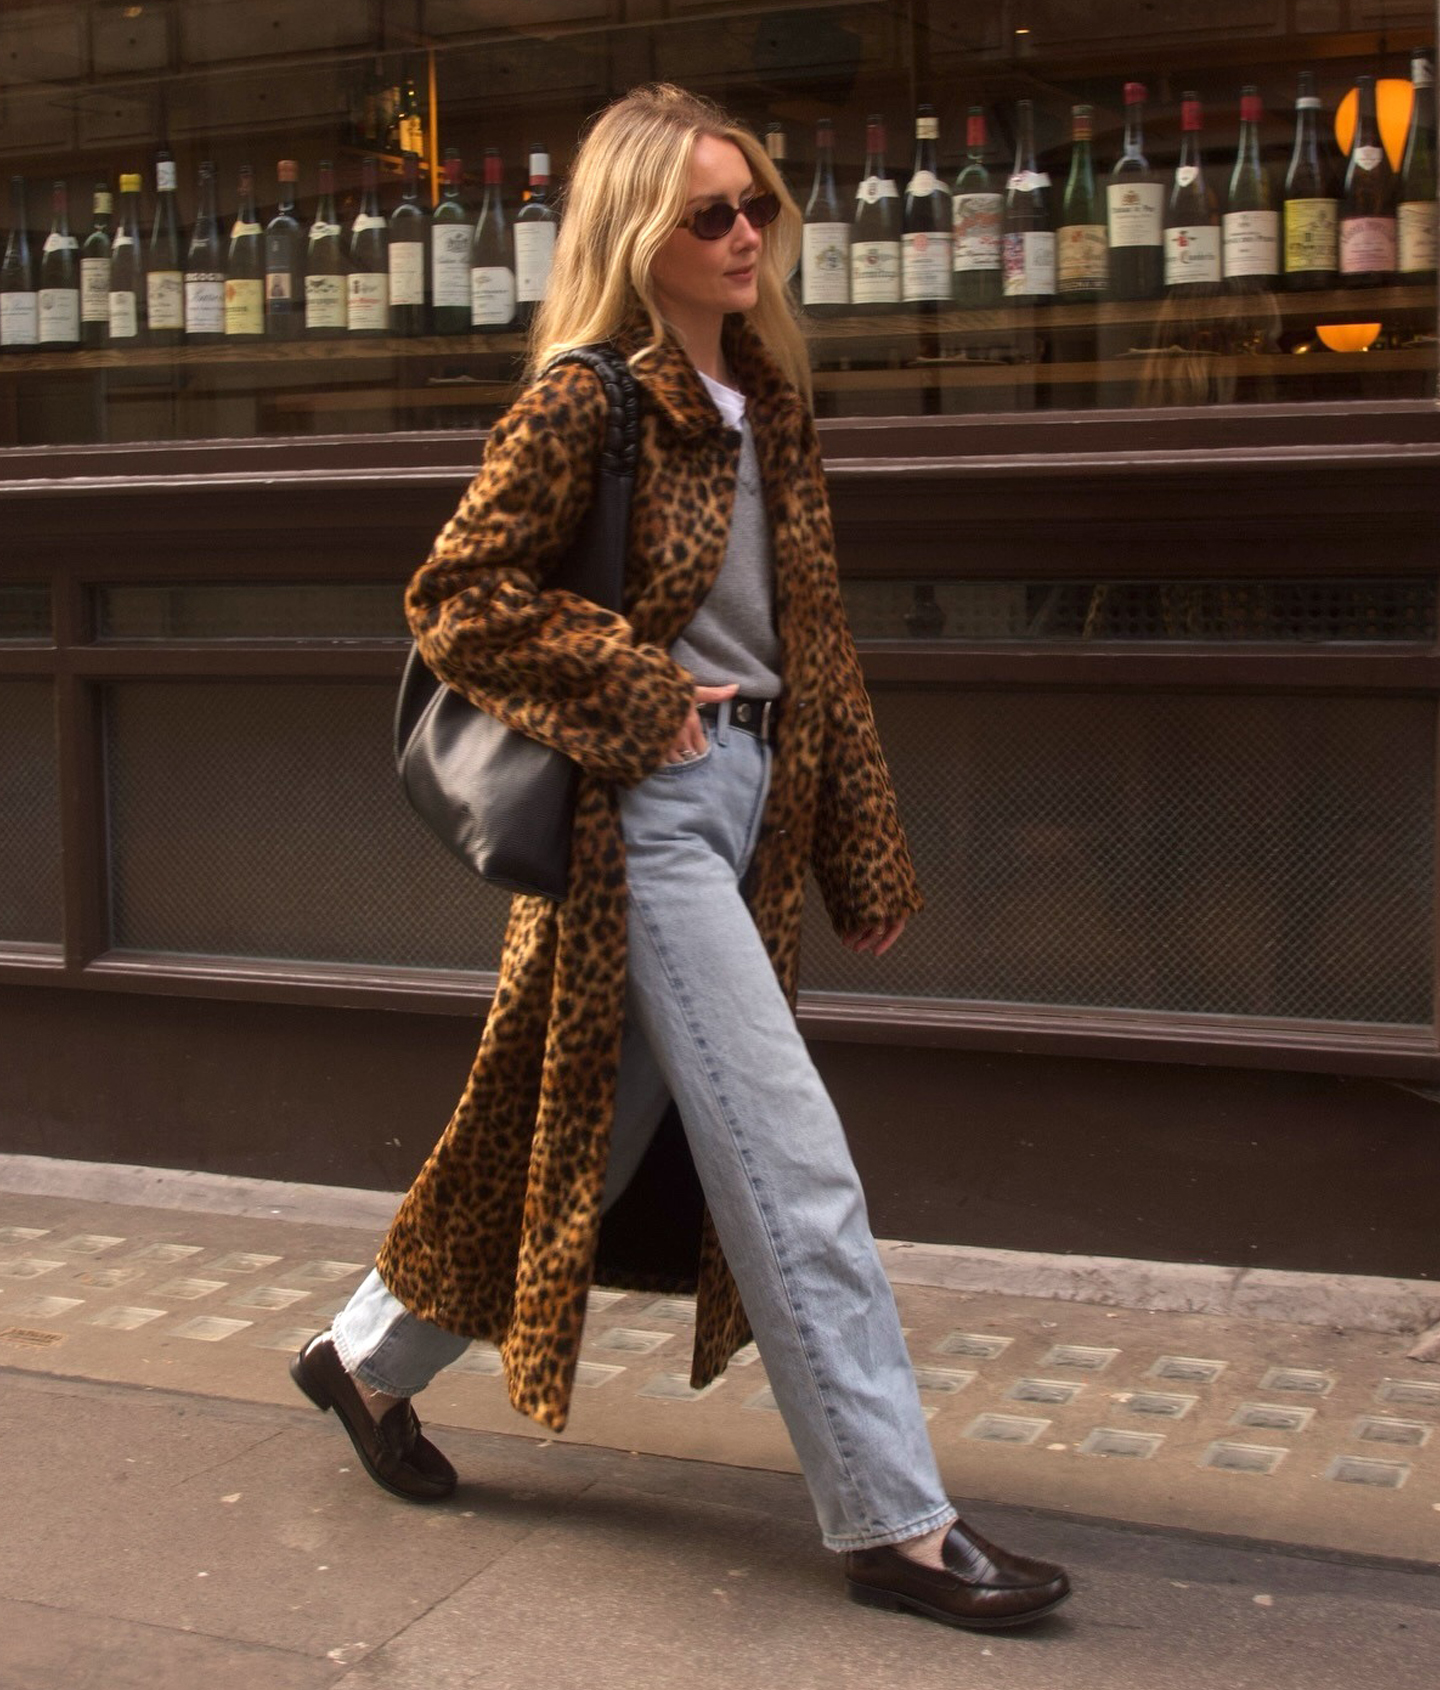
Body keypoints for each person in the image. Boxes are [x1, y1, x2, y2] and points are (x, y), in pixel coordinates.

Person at [291, 82, 1070, 1633]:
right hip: (638, 816)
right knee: (794, 1160)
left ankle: (361, 1360)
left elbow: (820, 650)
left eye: (759, 205)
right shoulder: (588, 399)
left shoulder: (769, 402)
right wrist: (643, 690)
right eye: (710, 213)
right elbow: (454, 594)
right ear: (635, 237)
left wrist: (866, 854)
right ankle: (896, 1522)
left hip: (750, 814)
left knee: (553, 1134)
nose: (746, 236)